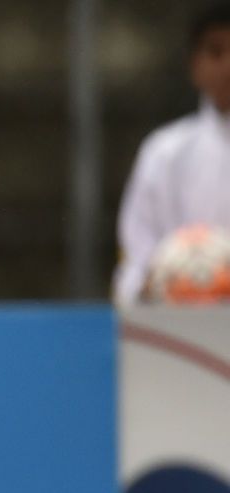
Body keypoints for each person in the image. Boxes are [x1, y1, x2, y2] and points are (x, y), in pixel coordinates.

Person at [115, 4, 230, 304]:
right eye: (216, 52)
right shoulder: (163, 153)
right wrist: (166, 281)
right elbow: (136, 260)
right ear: (195, 65)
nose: (227, 66)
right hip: (177, 328)